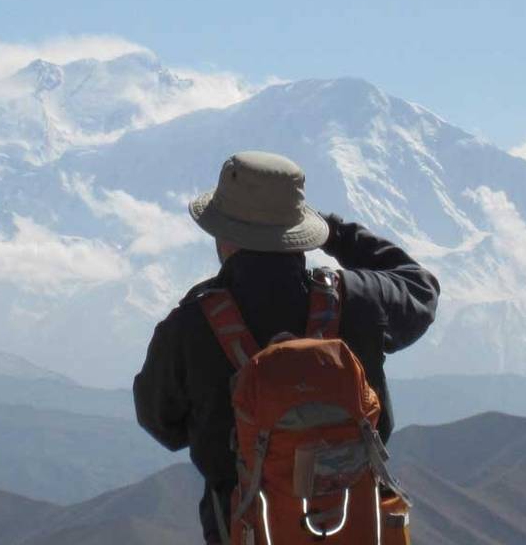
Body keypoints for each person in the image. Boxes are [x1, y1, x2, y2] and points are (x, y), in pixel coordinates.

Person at [133, 151, 440, 544]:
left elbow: (162, 423)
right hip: (358, 529)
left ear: (223, 234)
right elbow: (420, 287)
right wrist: (337, 233)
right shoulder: (359, 299)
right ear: (301, 230)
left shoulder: (191, 325)